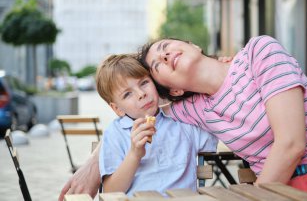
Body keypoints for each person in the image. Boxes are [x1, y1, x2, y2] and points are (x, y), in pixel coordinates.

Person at [138, 35, 307, 201]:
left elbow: (291, 144)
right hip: (278, 192)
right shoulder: (195, 109)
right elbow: (136, 96)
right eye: (158, 66)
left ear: (193, 45)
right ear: (174, 91)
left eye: (165, 47)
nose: (165, 56)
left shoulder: (259, 52)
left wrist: (256, 196)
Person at [59, 54, 217, 199]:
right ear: (117, 109)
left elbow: (218, 124)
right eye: (127, 94)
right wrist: (134, 154)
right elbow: (110, 192)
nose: (141, 93)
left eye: (144, 83)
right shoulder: (116, 133)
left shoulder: (182, 122)